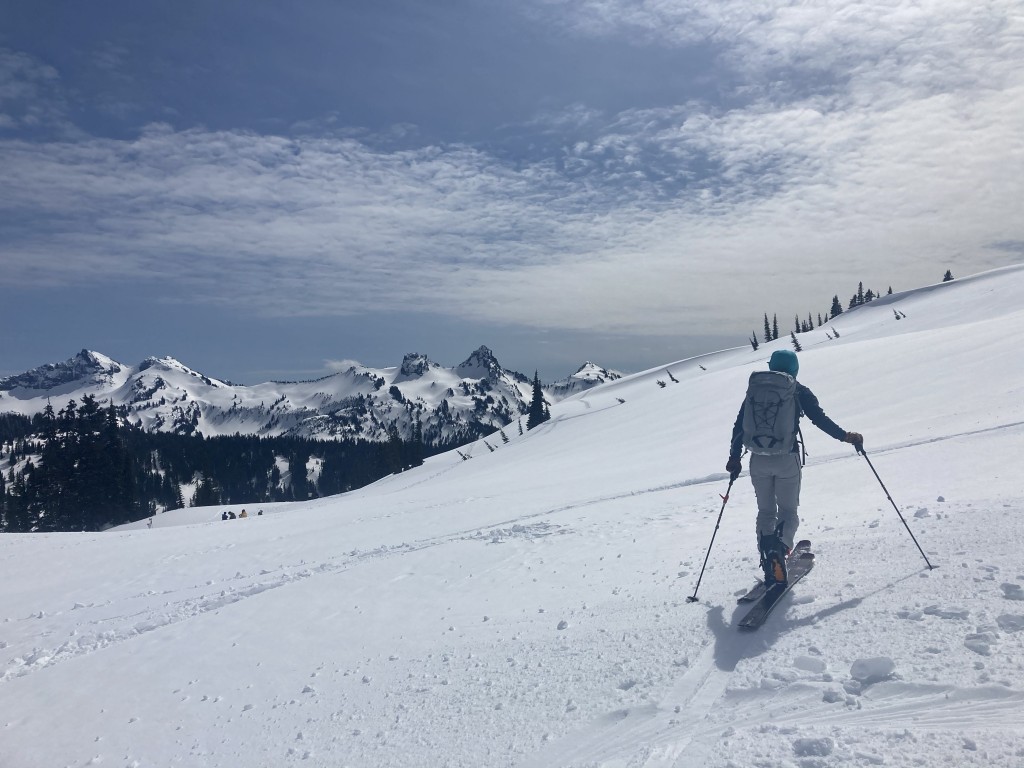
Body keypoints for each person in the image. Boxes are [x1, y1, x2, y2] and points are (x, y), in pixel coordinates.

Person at [727, 349, 862, 587]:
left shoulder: (756, 391)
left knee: (765, 512)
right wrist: (846, 436)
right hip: (786, 459)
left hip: (757, 460)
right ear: (795, 369)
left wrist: (734, 458)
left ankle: (768, 556)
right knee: (788, 511)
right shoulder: (798, 390)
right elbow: (819, 419)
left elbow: (739, 426)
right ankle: (780, 547)